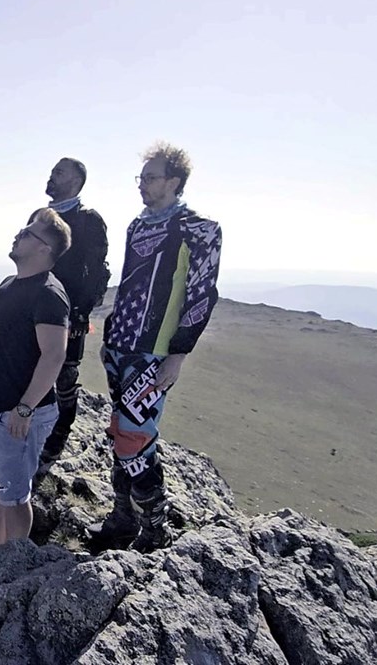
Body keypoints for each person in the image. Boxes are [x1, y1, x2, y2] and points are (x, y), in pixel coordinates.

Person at [89, 142, 222, 553]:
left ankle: (154, 530)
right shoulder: (138, 225)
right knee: (120, 435)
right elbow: (130, 284)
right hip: (121, 346)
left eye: (150, 177)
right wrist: (110, 335)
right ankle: (122, 519)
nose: (142, 185)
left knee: (135, 437)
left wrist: (179, 353)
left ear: (174, 182)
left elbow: (202, 293)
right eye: (140, 178)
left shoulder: (199, 229)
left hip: (155, 351)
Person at [0, 208, 71, 566]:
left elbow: (54, 355)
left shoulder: (48, 295)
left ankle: (13, 564)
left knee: (16, 494)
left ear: (44, 249)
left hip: (19, 414)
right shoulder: (10, 285)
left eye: (27, 233)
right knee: (0, 487)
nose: (18, 235)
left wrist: (25, 408)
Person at [36, 157, 110, 468]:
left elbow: (97, 271)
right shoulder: (39, 217)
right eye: (52, 171)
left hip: (69, 316)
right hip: (35, 311)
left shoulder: (88, 221)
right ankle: (34, 427)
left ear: (76, 182)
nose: (51, 177)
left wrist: (81, 313)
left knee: (65, 377)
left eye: (59, 172)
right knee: (31, 370)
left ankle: (58, 437)